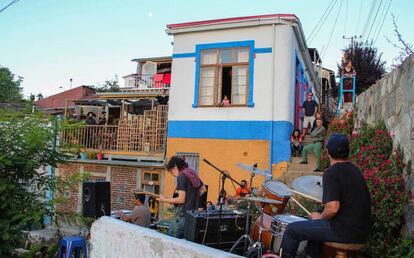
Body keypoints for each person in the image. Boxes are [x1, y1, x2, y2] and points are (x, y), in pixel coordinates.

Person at [280, 134, 372, 258]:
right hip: (361, 232)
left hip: (344, 232)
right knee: (314, 230)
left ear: (327, 151)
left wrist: (320, 217)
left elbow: (333, 207)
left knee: (291, 230)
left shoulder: (332, 172)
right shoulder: (355, 170)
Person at [157, 156, 203, 238]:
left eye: (171, 172)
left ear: (175, 167)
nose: (173, 175)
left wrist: (164, 200)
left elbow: (181, 199)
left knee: (170, 238)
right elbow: (203, 189)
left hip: (183, 214)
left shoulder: (181, 176)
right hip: (193, 216)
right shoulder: (191, 172)